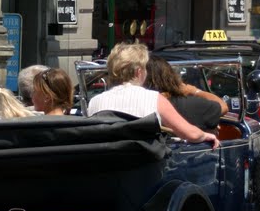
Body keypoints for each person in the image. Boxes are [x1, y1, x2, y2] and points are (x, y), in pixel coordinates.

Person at [86, 42, 219, 148]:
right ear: (139, 72)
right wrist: (206, 135)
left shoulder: (95, 102)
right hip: (144, 168)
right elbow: (190, 133)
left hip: (109, 169)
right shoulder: (153, 98)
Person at [144, 55, 228, 131]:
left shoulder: (137, 103)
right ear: (170, 75)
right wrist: (195, 91)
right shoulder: (190, 104)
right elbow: (223, 107)